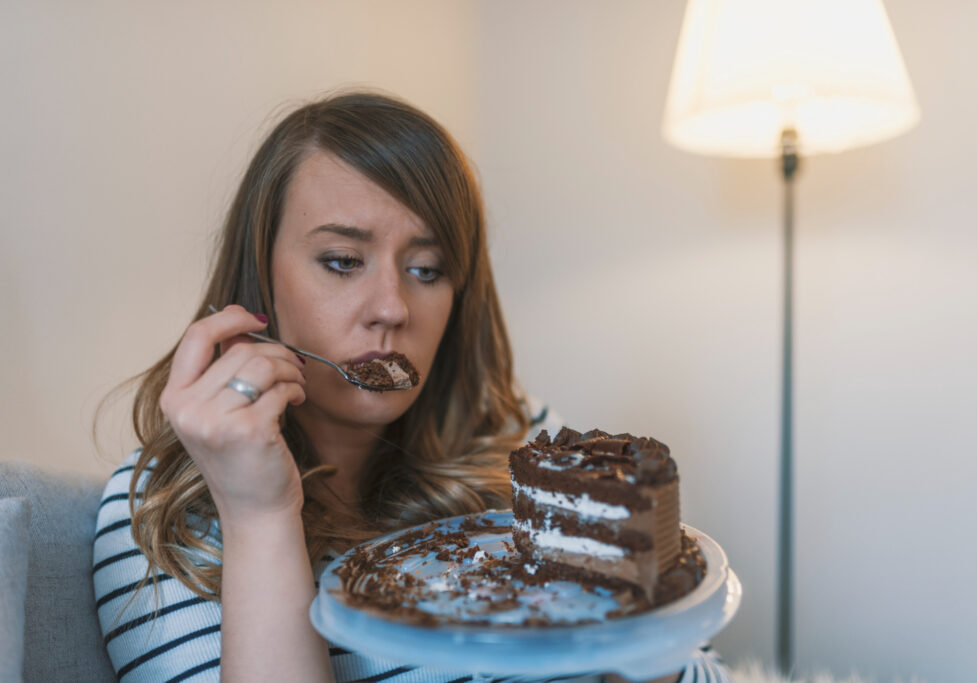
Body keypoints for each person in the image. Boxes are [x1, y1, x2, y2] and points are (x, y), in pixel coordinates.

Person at [92, 91, 731, 683]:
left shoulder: (523, 444)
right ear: (260, 278)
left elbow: (699, 672)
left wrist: (626, 617)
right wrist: (259, 516)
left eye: (427, 270)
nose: (393, 307)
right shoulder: (161, 508)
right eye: (342, 262)